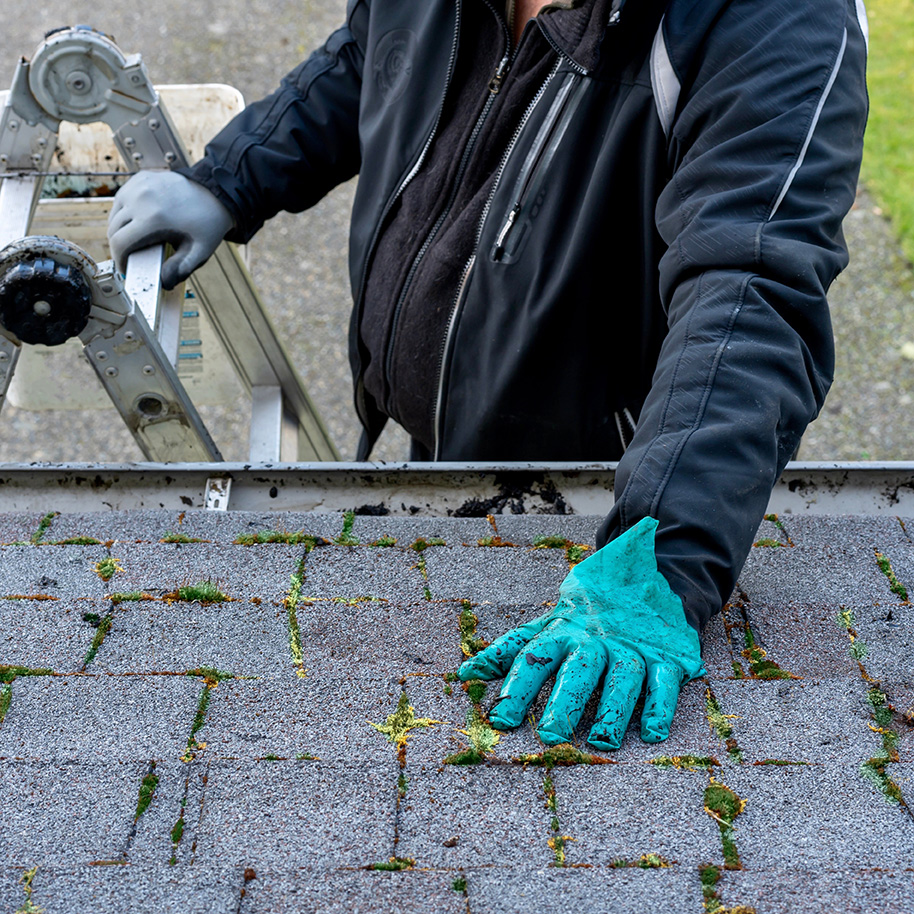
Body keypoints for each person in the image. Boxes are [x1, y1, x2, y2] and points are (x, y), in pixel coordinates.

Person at [108, 0, 869, 749]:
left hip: (602, 511)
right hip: (438, 453)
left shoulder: (776, 18)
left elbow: (749, 291)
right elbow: (372, 57)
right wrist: (232, 179)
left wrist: (660, 552)